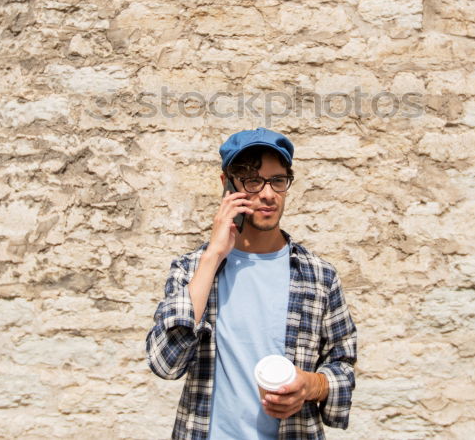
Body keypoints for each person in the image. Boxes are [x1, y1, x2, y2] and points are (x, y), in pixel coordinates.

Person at [146, 128, 357, 439]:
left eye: (278, 180)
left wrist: (310, 386)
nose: (268, 194)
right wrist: (213, 254)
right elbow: (165, 363)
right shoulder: (192, 270)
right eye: (252, 180)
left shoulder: (319, 275)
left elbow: (343, 367)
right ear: (226, 185)